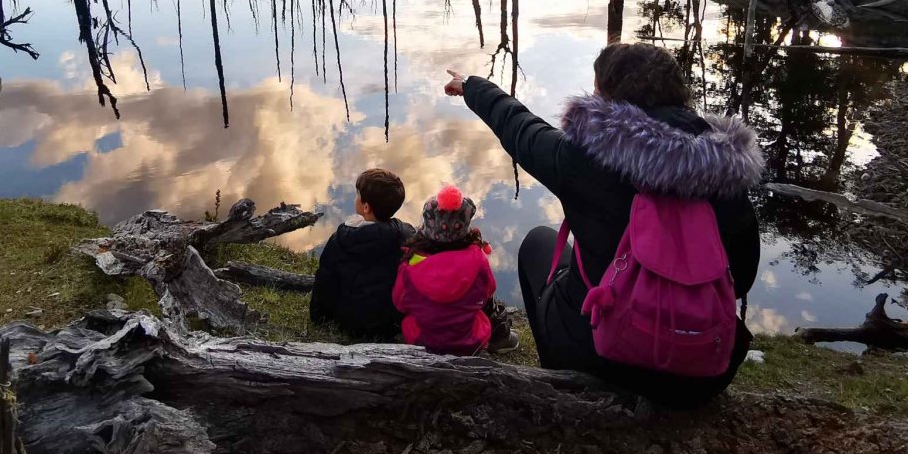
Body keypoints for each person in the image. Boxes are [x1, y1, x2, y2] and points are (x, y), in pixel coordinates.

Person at [444, 42, 763, 407]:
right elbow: (743, 277)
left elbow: (519, 127)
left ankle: (561, 380)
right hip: (703, 370)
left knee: (537, 243)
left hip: (599, 355)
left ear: (607, 98)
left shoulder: (581, 160)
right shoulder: (725, 170)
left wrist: (471, 85)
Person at [310, 168, 415, 339]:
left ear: (365, 207)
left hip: (350, 322)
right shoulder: (407, 237)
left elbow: (326, 281)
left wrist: (318, 317)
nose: (356, 197)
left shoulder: (341, 241)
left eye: (358, 194)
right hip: (393, 321)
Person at [392, 185, 498, 355]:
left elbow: (400, 304)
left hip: (422, 341)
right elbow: (488, 291)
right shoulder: (478, 259)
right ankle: (500, 338)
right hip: (471, 341)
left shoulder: (410, 265)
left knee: (410, 320)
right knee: (479, 315)